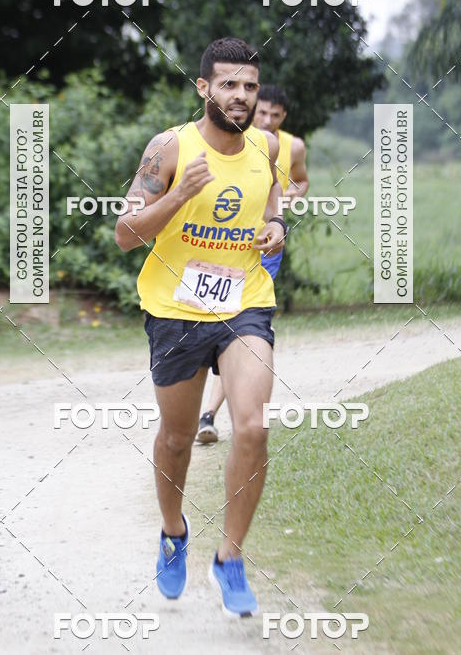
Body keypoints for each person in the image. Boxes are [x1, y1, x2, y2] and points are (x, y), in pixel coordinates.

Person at [115, 38, 288, 617]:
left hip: (244, 304)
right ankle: (172, 531)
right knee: (175, 438)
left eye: (249, 86)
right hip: (174, 310)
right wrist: (179, 195)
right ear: (203, 88)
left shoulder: (265, 147)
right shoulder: (168, 148)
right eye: (229, 85)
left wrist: (277, 229)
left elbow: (272, 205)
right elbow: (126, 232)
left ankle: (230, 558)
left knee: (254, 426)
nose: (240, 96)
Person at [197, 83, 309, 444]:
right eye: (263, 113)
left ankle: (209, 414)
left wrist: (285, 205)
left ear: (284, 117)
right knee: (219, 325)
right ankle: (201, 409)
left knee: (236, 328)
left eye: (276, 116)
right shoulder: (229, 139)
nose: (268, 120)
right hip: (218, 247)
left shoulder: (290, 146)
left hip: (263, 249)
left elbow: (298, 182)